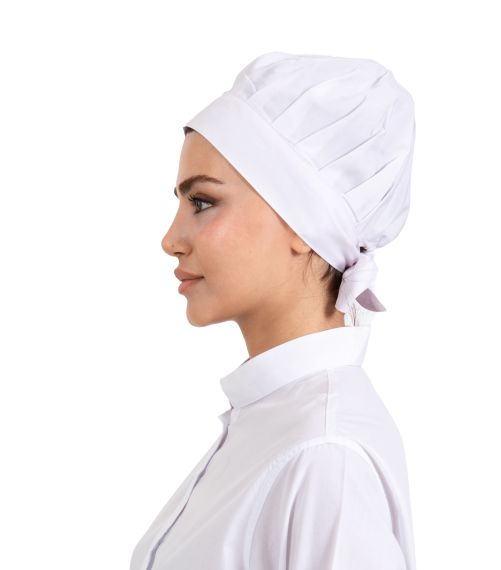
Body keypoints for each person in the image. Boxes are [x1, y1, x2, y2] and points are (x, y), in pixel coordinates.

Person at [130, 51, 417, 570]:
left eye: (202, 202)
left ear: (303, 225)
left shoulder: (323, 454)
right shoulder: (279, 422)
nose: (171, 240)